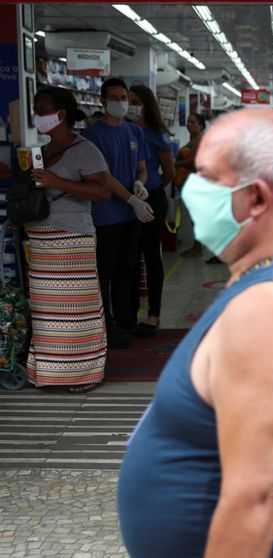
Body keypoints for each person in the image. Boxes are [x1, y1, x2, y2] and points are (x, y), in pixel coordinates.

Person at [117, 108, 273, 558]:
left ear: (256, 199)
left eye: (205, 177)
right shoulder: (264, 282)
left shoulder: (269, 312)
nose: (191, 190)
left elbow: (254, 502)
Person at [24, 88, 112, 393]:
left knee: (77, 311)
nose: (37, 114)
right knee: (47, 313)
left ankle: (84, 372)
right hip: (40, 239)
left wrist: (57, 182)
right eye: (36, 108)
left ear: (61, 115)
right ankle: (48, 372)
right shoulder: (42, 150)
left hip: (72, 239)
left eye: (42, 108)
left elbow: (102, 191)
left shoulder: (85, 150)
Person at [84, 77, 155, 348]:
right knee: (105, 271)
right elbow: (104, 177)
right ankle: (106, 325)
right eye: (114, 98)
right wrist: (130, 200)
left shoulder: (134, 132)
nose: (121, 103)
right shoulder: (93, 135)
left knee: (127, 270)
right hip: (105, 216)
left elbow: (142, 168)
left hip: (130, 216)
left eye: (123, 97)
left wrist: (140, 183)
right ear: (103, 101)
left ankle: (126, 321)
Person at [127, 84, 176, 330]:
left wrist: (153, 186)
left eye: (135, 100)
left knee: (150, 255)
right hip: (124, 199)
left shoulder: (157, 134)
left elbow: (169, 172)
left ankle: (153, 313)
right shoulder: (123, 129)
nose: (130, 105)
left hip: (152, 198)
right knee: (130, 258)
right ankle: (129, 312)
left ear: (146, 104)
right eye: (127, 100)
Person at [174, 113, 206, 258]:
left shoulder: (199, 139)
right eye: (188, 121)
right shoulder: (194, 138)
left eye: (193, 122)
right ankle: (197, 245)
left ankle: (197, 248)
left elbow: (194, 162)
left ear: (200, 125)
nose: (189, 124)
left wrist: (174, 163)